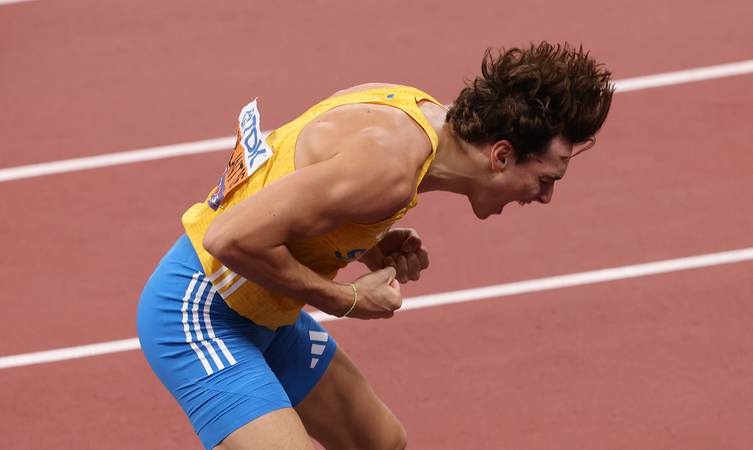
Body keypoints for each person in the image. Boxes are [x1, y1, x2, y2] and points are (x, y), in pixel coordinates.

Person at [137, 41, 613, 450]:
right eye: (546, 179)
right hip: (200, 313)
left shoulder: (415, 112)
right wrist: (347, 299)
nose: (546, 196)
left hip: (269, 313)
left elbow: (299, 181)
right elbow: (227, 238)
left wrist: (366, 241)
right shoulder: (388, 170)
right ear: (502, 154)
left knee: (380, 443)